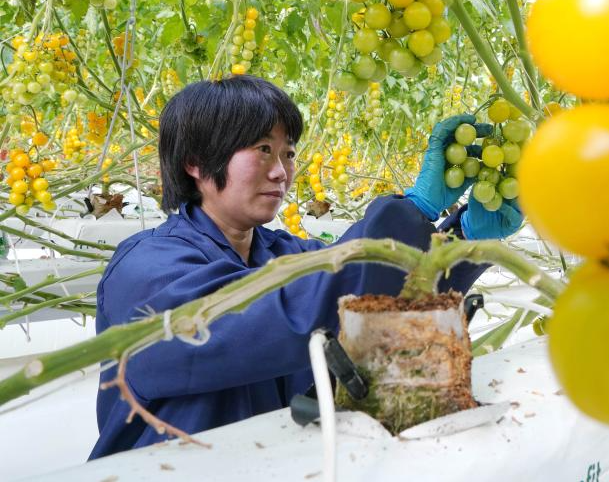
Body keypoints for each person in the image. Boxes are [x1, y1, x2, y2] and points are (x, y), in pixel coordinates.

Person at [89, 75, 522, 459]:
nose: (281, 172)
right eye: (262, 150)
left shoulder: (285, 254)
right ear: (196, 163)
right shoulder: (146, 267)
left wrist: (463, 240)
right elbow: (272, 318)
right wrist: (410, 211)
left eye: (288, 153)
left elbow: (378, 298)